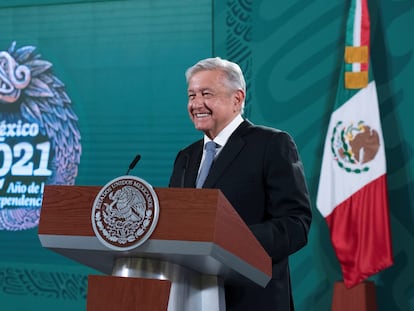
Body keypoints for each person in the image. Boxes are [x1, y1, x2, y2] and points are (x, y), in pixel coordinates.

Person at [169, 57, 312, 310]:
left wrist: (228, 239)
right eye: (191, 95)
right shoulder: (186, 157)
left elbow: (295, 225)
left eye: (206, 94)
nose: (196, 104)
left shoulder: (272, 144)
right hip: (191, 297)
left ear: (237, 99)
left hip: (252, 299)